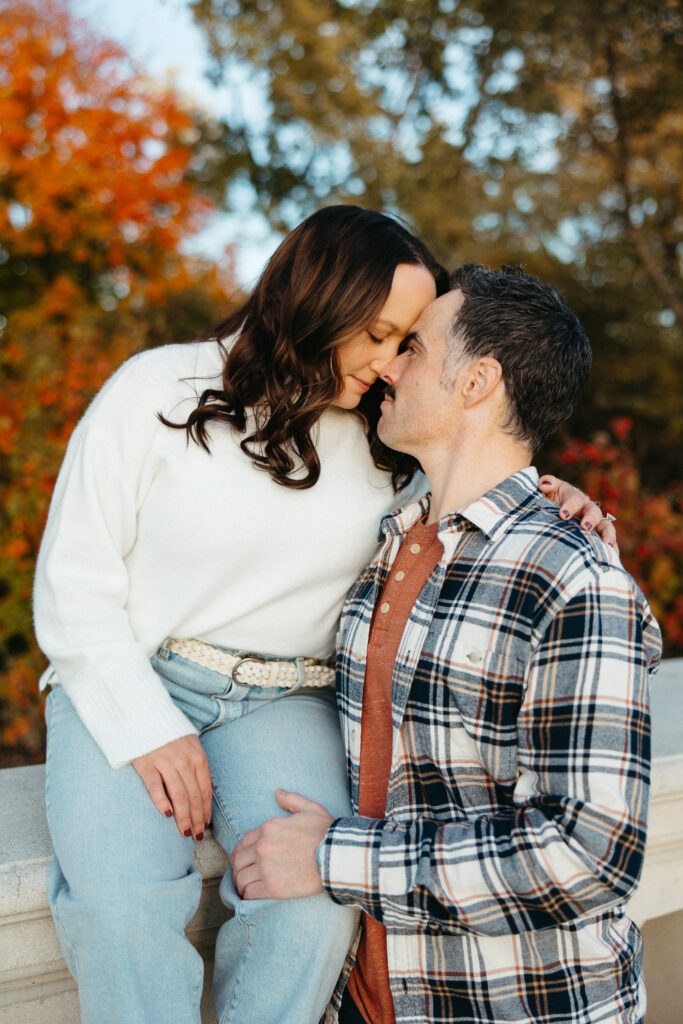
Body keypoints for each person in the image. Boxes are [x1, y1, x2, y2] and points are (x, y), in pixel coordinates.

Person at [34, 206, 614, 1024]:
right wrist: (144, 724)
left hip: (285, 698)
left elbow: (473, 477)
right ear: (318, 298)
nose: (387, 366)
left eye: (406, 343)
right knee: (123, 911)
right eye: (377, 334)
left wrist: (556, 494)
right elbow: (73, 582)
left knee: (313, 903)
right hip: (131, 674)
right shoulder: (153, 389)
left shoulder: (386, 442)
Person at [230, 264, 661, 1024]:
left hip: (511, 1007)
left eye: (415, 349)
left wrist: (331, 859)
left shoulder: (573, 577)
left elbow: (585, 857)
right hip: (362, 1001)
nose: (386, 365)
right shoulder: (383, 543)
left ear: (476, 382)